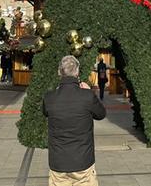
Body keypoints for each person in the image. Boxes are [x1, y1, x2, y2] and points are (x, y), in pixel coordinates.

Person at [43, 55, 106, 186]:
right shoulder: (87, 96)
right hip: (82, 162)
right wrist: (89, 92)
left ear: (60, 72)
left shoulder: (49, 97)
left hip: (58, 163)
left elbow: (45, 112)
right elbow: (101, 114)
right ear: (77, 72)